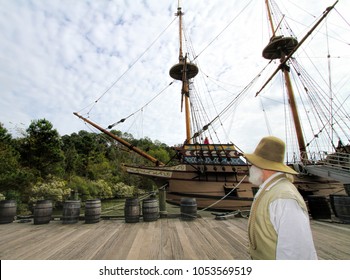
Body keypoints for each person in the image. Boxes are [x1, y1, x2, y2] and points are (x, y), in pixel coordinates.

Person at [244, 136, 317, 260]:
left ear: (263, 166)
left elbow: (296, 251)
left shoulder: (284, 198)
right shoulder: (270, 190)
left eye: (253, 163)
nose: (251, 167)